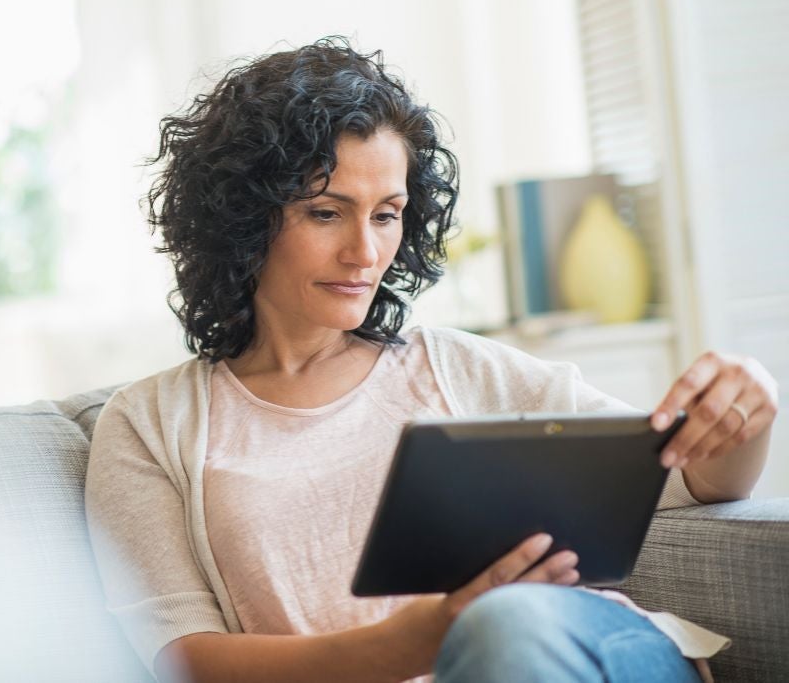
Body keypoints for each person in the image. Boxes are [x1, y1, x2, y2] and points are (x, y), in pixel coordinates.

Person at [84, 38, 777, 683]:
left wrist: (746, 414)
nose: (365, 252)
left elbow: (694, 478)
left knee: (506, 624)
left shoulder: (457, 368)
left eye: (387, 213)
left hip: (578, 653)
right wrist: (414, 641)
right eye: (327, 212)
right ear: (241, 217)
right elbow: (185, 660)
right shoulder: (150, 425)